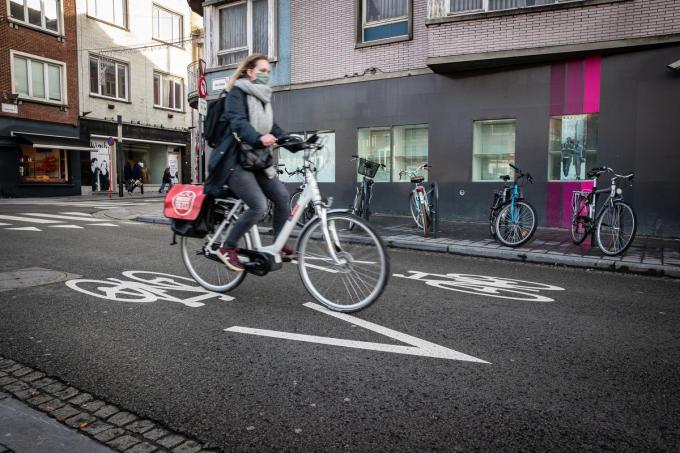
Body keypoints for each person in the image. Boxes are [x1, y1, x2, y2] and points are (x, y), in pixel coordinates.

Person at [204, 53, 292, 272]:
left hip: (256, 160)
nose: (266, 75)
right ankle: (227, 246)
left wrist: (296, 143)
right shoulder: (236, 93)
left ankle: (277, 246)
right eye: (262, 71)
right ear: (250, 71)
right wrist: (258, 138)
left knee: (282, 198)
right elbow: (238, 123)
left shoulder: (263, 98)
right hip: (234, 161)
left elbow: (274, 128)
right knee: (259, 205)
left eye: (268, 72)